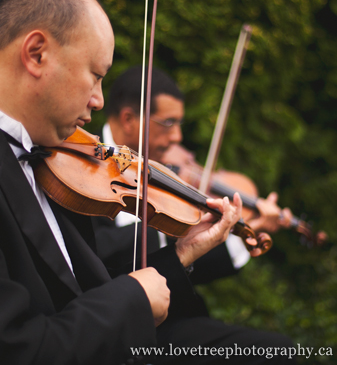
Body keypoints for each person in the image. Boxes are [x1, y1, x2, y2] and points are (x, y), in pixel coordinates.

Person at [0, 0, 247, 365]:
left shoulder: (54, 158)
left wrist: (181, 252)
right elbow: (9, 351)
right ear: (36, 54)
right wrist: (133, 301)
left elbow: (81, 284)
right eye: (96, 76)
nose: (100, 100)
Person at [94, 65, 297, 363]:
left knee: (278, 350)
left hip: (170, 321)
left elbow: (183, 264)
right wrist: (167, 230)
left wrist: (242, 231)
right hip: (112, 327)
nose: (177, 137)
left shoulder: (159, 167)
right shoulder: (85, 166)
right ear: (129, 120)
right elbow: (103, 252)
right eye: (168, 122)